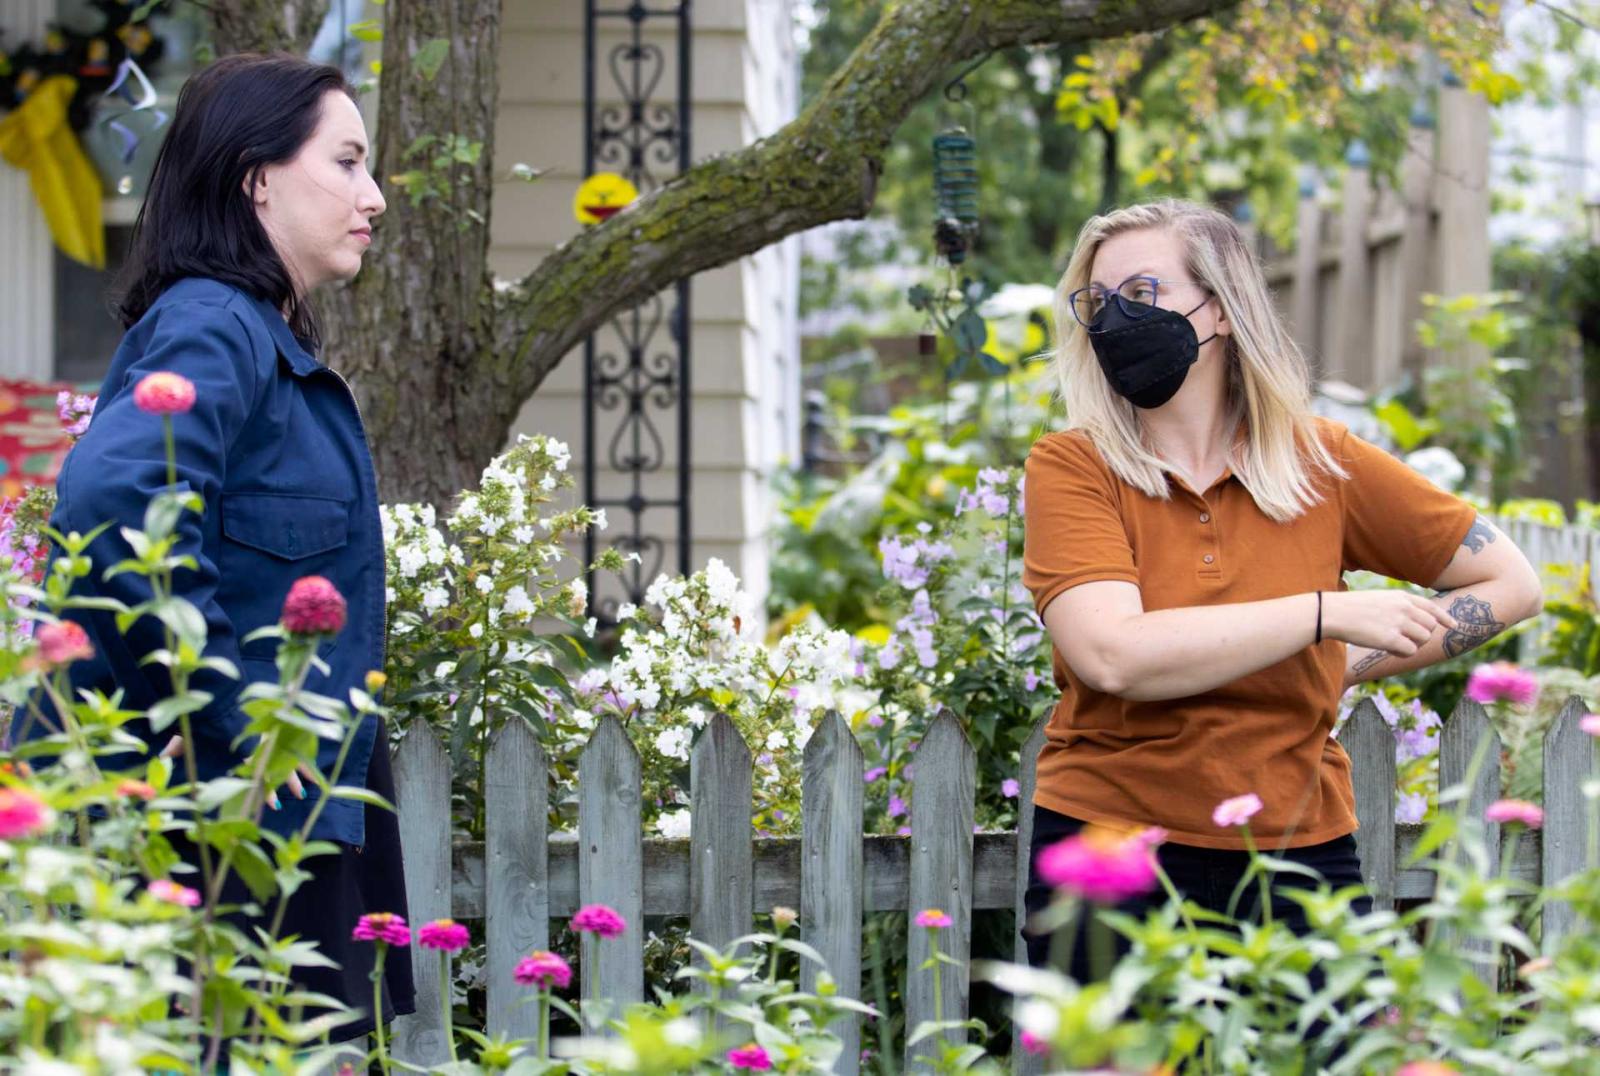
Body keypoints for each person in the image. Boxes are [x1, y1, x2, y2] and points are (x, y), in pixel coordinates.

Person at [1019, 200, 1543, 992]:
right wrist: (1321, 616)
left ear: (1221, 309)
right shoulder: (1073, 468)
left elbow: (1510, 582)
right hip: (1111, 854)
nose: (1116, 318)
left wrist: (1338, 665)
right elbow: (1112, 655)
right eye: (1099, 300)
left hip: (1300, 849)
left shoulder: (1321, 463)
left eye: (1145, 292)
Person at [12, 53, 413, 1044]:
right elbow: (117, 505)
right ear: (257, 176)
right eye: (349, 162)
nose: (374, 198)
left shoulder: (252, 339)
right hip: (223, 833)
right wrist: (236, 722)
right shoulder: (210, 326)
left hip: (273, 828)